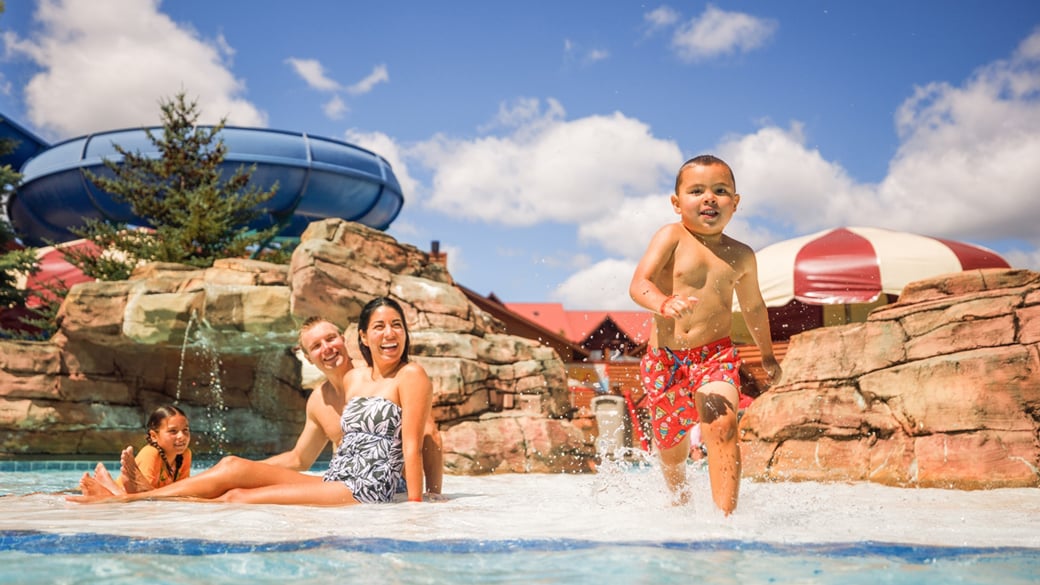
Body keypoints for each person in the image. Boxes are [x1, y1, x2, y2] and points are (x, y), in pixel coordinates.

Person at [70, 297, 434, 505]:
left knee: (237, 496)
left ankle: (130, 501)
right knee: (230, 467)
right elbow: (298, 459)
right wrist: (238, 469)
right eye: (316, 346)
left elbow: (422, 440)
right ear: (306, 356)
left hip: (364, 487)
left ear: (346, 339)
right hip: (335, 478)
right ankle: (152, 496)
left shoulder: (393, 377)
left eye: (331, 338)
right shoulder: (331, 395)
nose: (327, 349)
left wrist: (426, 501)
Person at [629, 154, 781, 516]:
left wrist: (767, 354)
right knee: (672, 452)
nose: (709, 198)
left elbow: (754, 308)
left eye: (720, 190)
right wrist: (662, 303)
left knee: (723, 424)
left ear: (736, 202)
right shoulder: (672, 236)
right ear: (677, 202)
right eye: (697, 190)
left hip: (715, 357)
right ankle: (680, 507)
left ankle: (724, 524)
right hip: (664, 362)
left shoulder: (741, 256)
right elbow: (639, 283)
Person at [79, 405, 193, 495]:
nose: (182, 436)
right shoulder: (151, 453)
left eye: (185, 430)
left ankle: (110, 486)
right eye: (173, 431)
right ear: (154, 436)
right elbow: (141, 494)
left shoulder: (185, 455)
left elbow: (181, 490)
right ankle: (109, 487)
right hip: (120, 492)